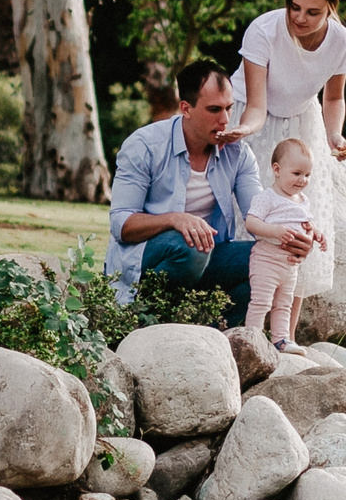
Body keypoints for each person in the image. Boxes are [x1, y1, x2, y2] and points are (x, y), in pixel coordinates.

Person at [106, 58, 313, 324]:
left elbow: (261, 215)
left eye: (229, 108)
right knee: (192, 247)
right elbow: (121, 224)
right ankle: (149, 320)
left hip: (206, 255)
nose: (225, 119)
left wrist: (293, 238)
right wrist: (175, 219)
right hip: (151, 258)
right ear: (186, 108)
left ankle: (208, 332)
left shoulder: (238, 154)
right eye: (214, 109)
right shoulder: (144, 146)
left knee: (267, 260)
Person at [219, 0, 346, 325]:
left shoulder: (339, 40)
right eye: (294, 7)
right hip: (253, 117)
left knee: (299, 220)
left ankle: (284, 333)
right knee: (255, 216)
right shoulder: (264, 30)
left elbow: (333, 98)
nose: (300, 18)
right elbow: (257, 105)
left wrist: (335, 136)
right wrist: (242, 130)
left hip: (301, 120)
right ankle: (240, 324)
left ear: (330, 10)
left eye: (313, 12)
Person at [243, 138, 326, 354]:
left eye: (307, 175)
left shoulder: (303, 200)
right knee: (261, 302)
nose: (303, 180)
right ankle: (253, 338)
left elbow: (307, 222)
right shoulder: (267, 197)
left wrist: (317, 233)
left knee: (284, 304)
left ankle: (281, 340)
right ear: (277, 170)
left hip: (289, 265)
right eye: (297, 173)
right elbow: (251, 222)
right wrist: (275, 231)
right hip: (267, 259)